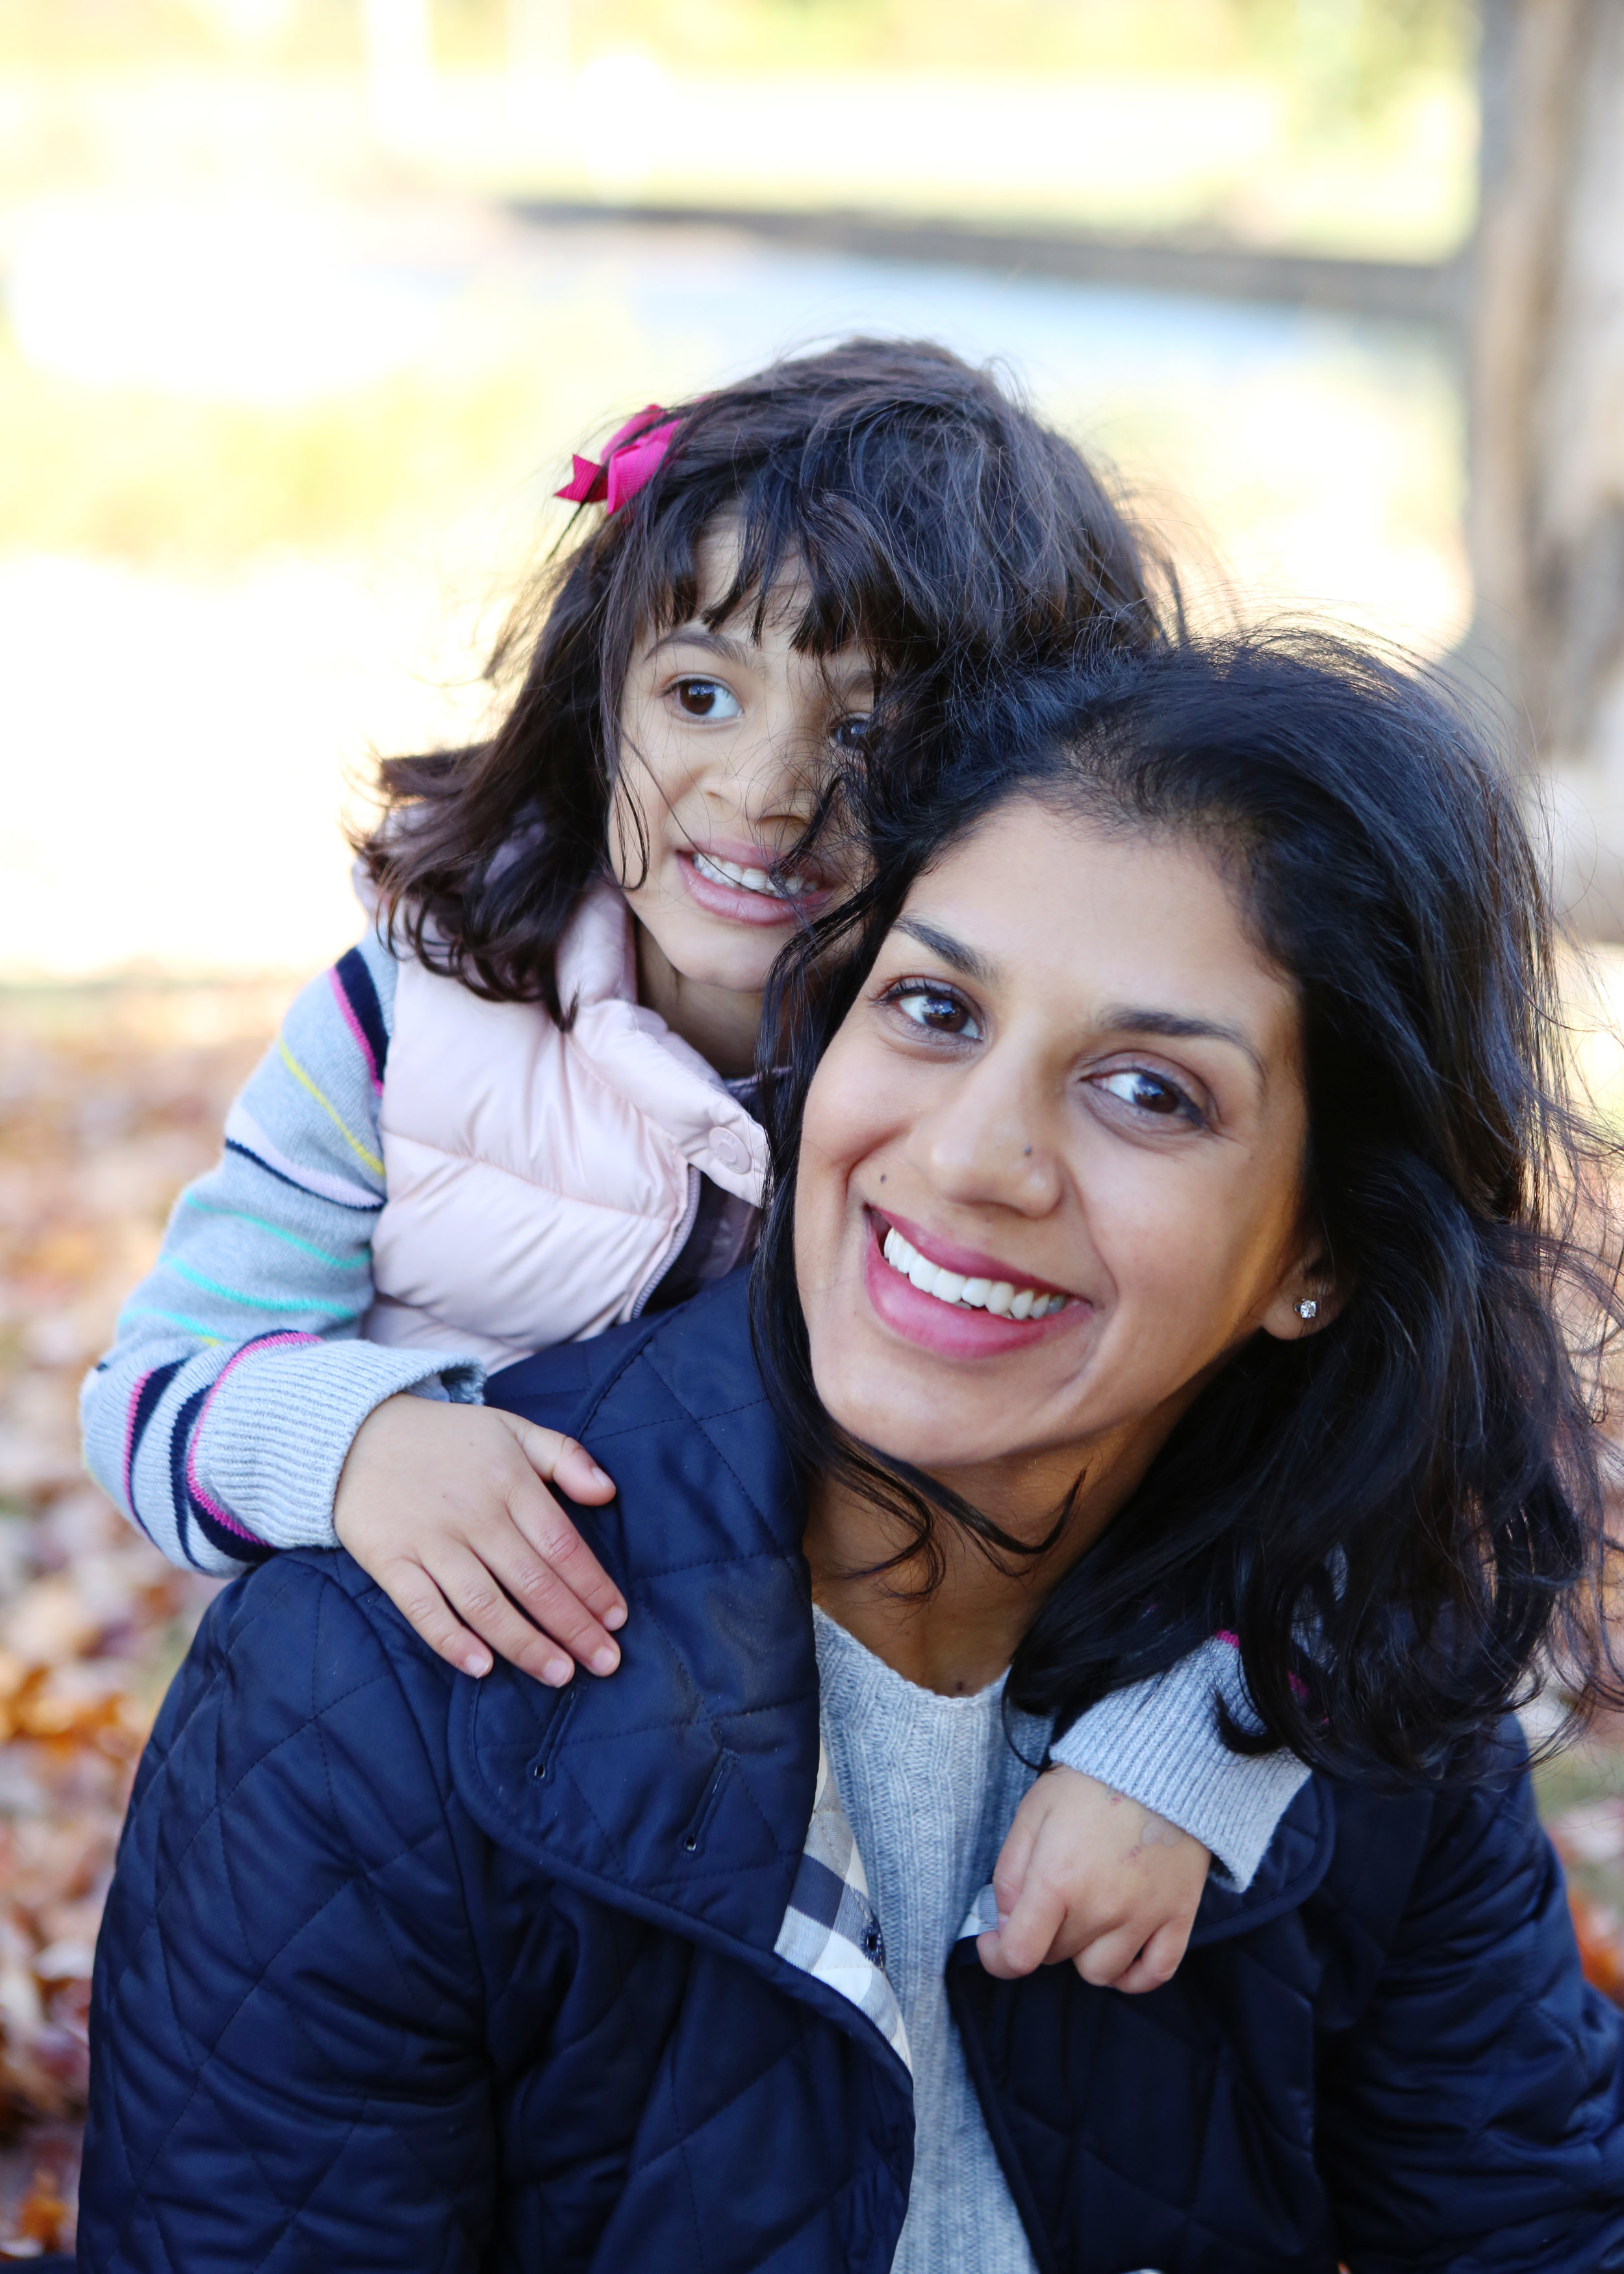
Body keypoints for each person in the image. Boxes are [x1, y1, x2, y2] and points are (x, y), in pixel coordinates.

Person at [80, 633, 1624, 2272]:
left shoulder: (1348, 1696)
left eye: (1149, 1092)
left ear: (1319, 1254)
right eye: (935, 1007)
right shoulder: (375, 1682)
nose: (971, 1157)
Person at [78, 340, 1308, 1992]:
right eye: (702, 693)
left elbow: (1359, 1493)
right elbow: (153, 1382)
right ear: (604, 692)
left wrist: (1194, 1746)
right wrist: (353, 1441)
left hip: (854, 1793)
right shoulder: (408, 1025)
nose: (765, 792)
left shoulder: (962, 1116)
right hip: (445, 1779)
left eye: (871, 736)